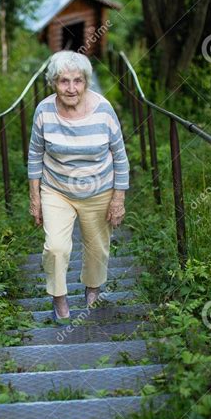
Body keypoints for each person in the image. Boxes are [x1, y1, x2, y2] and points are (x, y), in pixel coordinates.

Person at [28, 50, 129, 324]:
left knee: (97, 248)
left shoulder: (104, 110)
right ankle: (59, 302)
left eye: (77, 81)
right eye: (63, 81)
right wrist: (35, 198)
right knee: (56, 247)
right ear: (53, 83)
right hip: (57, 189)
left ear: (86, 81)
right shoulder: (44, 111)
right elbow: (35, 156)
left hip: (99, 190)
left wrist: (118, 199)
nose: (71, 88)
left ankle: (92, 293)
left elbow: (120, 156)